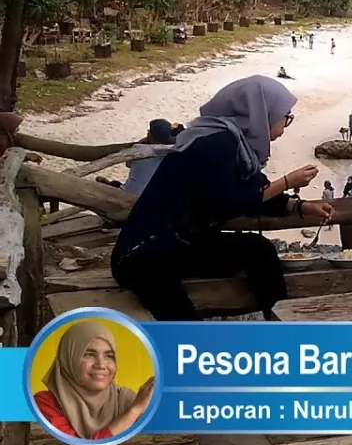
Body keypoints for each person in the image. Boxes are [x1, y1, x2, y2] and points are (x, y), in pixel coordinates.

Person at [109, 75, 335, 321]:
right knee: (186, 328)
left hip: (179, 243)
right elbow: (226, 203)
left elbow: (252, 191)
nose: (286, 123)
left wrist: (303, 206)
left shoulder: (234, 142)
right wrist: (287, 182)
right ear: (262, 113)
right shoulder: (216, 143)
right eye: (285, 117)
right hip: (143, 254)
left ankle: (278, 321)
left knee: (260, 250)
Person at [33, 320, 155, 440]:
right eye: (89, 354)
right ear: (69, 358)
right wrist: (133, 412)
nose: (101, 365)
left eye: (109, 356)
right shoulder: (45, 402)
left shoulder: (125, 399)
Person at [121, 119, 183, 197]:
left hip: (128, 194)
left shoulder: (139, 148)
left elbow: (128, 164)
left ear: (149, 134)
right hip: (154, 198)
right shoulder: (173, 152)